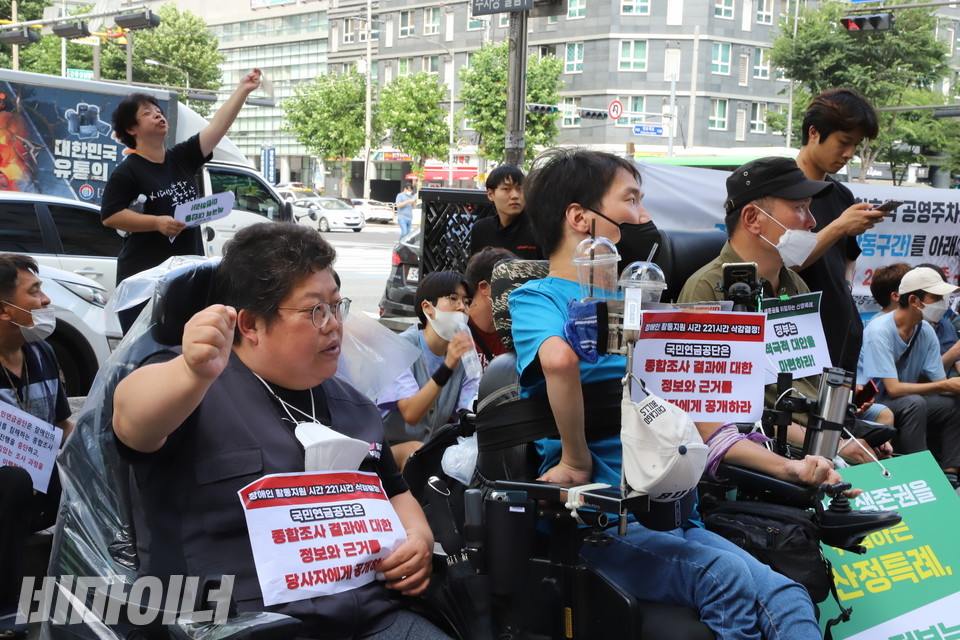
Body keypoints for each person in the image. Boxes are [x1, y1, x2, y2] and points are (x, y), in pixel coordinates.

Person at [511, 147, 832, 640]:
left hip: (675, 508)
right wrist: (576, 461)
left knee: (787, 594)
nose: (644, 216)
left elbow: (693, 405)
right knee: (723, 578)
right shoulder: (539, 297)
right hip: (601, 519)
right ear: (581, 217)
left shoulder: (639, 304)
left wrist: (787, 463)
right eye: (632, 200)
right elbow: (557, 360)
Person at [111, 223, 449, 640]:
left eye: (336, 307)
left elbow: (394, 490)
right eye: (315, 311)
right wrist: (190, 372)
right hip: (240, 625)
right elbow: (131, 421)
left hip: (372, 617)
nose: (333, 326)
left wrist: (417, 535)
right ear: (250, 325)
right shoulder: (192, 386)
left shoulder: (353, 405)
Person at [678, 157, 893, 463]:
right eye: (800, 208)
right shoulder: (708, 291)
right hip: (768, 452)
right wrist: (834, 447)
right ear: (753, 218)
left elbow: (811, 382)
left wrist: (846, 436)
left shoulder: (795, 285)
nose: (812, 222)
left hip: (820, 439)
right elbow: (715, 413)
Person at [101, 69, 263, 333]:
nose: (158, 115)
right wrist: (156, 222)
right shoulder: (128, 170)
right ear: (132, 129)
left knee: (187, 345)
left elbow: (217, 127)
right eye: (147, 113)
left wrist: (243, 89)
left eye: (158, 110)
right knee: (151, 351)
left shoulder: (181, 158)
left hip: (187, 274)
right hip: (146, 279)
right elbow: (110, 215)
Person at [0, 254, 74, 637]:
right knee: (10, 480)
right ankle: (5, 606)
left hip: (36, 493)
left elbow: (63, 426)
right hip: (5, 493)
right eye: (34, 291)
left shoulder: (41, 352)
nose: (46, 301)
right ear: (3, 309)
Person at [794, 89, 885, 373]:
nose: (849, 154)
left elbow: (849, 255)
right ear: (813, 132)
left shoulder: (841, 195)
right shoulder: (780, 192)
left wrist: (845, 287)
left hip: (842, 336)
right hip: (797, 342)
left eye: (855, 145)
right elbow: (787, 260)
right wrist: (838, 226)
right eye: (843, 142)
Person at [858, 266, 960, 490]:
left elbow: (938, 382)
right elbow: (892, 390)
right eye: (936, 297)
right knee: (914, 403)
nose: (943, 302)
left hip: (902, 400)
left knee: (952, 403)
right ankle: (920, 473)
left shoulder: (925, 330)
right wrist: (946, 384)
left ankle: (950, 472)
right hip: (872, 403)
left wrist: (952, 387)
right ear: (914, 300)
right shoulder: (879, 330)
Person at [377, 272, 480, 469]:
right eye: (453, 299)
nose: (462, 307)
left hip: (427, 451)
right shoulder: (400, 348)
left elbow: (470, 407)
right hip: (386, 451)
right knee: (418, 454)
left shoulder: (463, 353)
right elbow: (411, 413)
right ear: (427, 308)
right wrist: (447, 367)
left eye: (466, 302)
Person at [469, 165, 542, 259]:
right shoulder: (481, 229)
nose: (515, 196)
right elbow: (476, 270)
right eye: (506, 189)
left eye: (520, 189)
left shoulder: (537, 228)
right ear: (490, 194)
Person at [464, 247, 516, 371]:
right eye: (511, 283)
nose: (518, 290)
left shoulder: (514, 333)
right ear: (484, 287)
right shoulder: (454, 331)